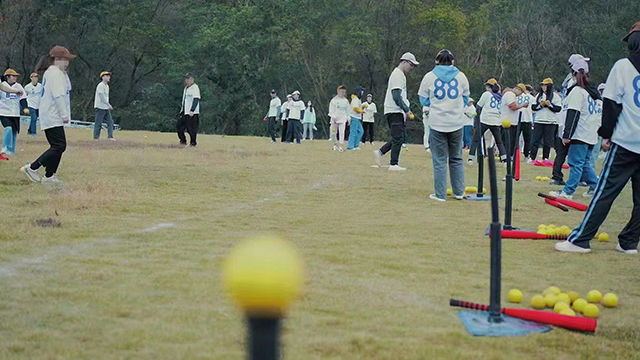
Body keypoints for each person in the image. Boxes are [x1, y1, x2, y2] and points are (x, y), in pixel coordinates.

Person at [555, 21, 640, 254]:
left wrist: (607, 135)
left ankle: (581, 239)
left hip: (625, 141)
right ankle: (629, 241)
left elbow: (611, 105)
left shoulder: (623, 66)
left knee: (604, 193)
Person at [419, 49, 470, 200]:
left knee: (440, 159)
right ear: (453, 61)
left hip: (437, 123)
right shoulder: (461, 77)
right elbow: (466, 98)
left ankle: (440, 194)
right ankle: (459, 192)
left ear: (436, 61)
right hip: (456, 123)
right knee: (456, 158)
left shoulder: (429, 76)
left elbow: (423, 99)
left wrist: (436, 104)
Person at [20, 46, 74, 185]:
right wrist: (64, 114)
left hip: (49, 114)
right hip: (53, 114)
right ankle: (33, 168)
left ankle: (50, 176)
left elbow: (67, 88)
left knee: (57, 146)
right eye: (65, 60)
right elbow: (59, 95)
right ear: (57, 59)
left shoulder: (54, 72)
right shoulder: (55, 73)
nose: (67, 63)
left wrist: (65, 73)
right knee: (59, 146)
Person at [549, 58, 599, 200]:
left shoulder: (578, 91)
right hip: (590, 134)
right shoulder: (591, 93)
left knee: (576, 164)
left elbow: (573, 114)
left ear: (573, 74)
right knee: (584, 165)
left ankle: (568, 192)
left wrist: (567, 135)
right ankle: (598, 187)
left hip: (580, 134)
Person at [373, 52, 418, 171]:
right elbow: (396, 96)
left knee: (399, 137)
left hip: (396, 110)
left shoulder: (400, 75)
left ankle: (380, 152)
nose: (412, 68)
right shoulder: (397, 75)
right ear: (404, 62)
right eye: (411, 64)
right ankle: (393, 164)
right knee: (398, 138)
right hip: (394, 110)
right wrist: (407, 110)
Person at [468, 78, 506, 165]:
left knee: (476, 139)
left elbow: (478, 106)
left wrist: (477, 120)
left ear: (489, 87)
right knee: (499, 141)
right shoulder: (501, 96)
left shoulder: (486, 94)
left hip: (485, 120)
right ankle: (504, 160)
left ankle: (471, 158)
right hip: (496, 121)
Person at [530, 78, 562, 163]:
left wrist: (550, 105)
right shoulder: (538, 96)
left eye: (545, 85)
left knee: (547, 141)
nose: (543, 87)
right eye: (542, 85)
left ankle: (545, 158)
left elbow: (558, 108)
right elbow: (533, 107)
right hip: (539, 120)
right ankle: (532, 157)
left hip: (550, 121)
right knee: (535, 140)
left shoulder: (555, 96)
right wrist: (540, 105)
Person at [0, 69, 28, 157]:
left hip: (15, 112)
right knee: (8, 128)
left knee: (14, 131)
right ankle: (4, 147)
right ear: (7, 77)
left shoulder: (18, 86)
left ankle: (11, 150)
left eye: (16, 76)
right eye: (13, 76)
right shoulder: (2, 85)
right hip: (4, 112)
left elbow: (23, 98)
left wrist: (25, 107)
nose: (15, 78)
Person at [501, 84, 529, 158]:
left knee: (512, 142)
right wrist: (522, 105)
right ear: (518, 89)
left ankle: (509, 156)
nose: (520, 94)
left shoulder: (511, 94)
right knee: (509, 142)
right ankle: (507, 157)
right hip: (508, 123)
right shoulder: (510, 95)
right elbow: (512, 106)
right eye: (521, 92)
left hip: (510, 122)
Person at [177, 72, 200, 147]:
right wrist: (182, 111)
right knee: (179, 127)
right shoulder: (186, 88)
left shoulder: (195, 87)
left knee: (191, 129)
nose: (186, 80)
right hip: (185, 112)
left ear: (192, 79)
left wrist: (192, 110)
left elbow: (196, 99)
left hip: (192, 113)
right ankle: (183, 141)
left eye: (188, 78)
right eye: (185, 78)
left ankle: (193, 143)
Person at [93, 71, 116, 141]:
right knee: (98, 123)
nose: (108, 77)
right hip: (100, 107)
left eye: (109, 76)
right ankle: (96, 137)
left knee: (110, 122)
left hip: (105, 108)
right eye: (107, 76)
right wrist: (108, 104)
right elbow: (101, 96)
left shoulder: (107, 86)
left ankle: (110, 136)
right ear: (102, 77)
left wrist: (107, 105)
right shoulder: (100, 85)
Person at [328, 85, 349, 152]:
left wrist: (348, 119)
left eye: (344, 92)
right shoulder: (334, 100)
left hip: (342, 119)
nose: (343, 93)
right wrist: (333, 117)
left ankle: (340, 146)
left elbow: (348, 111)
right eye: (341, 91)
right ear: (338, 91)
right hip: (334, 120)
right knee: (333, 132)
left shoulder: (346, 101)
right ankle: (335, 144)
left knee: (342, 132)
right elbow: (331, 110)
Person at [589, 83, 605, 170]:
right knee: (592, 154)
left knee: (592, 154)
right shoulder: (600, 102)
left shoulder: (592, 101)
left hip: (596, 130)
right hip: (594, 130)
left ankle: (588, 174)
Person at [347, 85, 366, 150]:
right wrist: (361, 111)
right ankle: (350, 146)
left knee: (360, 131)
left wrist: (363, 107)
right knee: (353, 132)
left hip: (358, 118)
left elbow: (358, 107)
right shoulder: (355, 99)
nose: (362, 93)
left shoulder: (358, 100)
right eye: (362, 92)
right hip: (354, 117)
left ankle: (355, 145)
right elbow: (355, 108)